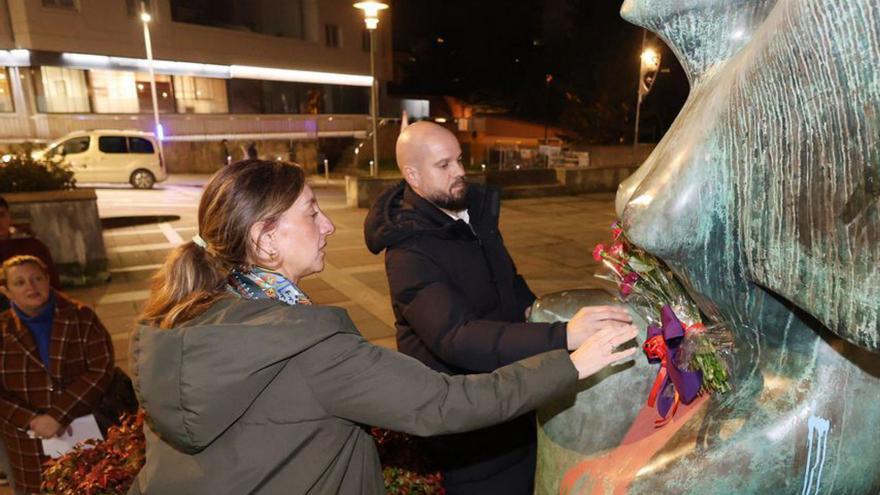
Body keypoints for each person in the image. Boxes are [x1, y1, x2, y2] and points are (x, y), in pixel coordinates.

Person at [130, 160, 637, 494]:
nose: (329, 226)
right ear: (265, 240)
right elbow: (445, 403)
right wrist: (572, 364)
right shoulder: (303, 347)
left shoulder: (190, 317)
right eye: (311, 213)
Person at [363, 121, 633, 493]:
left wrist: (539, 313)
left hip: (514, 402)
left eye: (459, 159)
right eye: (444, 165)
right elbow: (456, 337)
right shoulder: (408, 251)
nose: (459, 171)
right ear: (413, 175)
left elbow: (510, 283)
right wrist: (563, 335)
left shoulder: (472, 215)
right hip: (470, 435)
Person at [0, 255, 114, 494]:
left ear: (48, 279)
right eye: (19, 282)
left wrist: (58, 415)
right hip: (26, 441)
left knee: (93, 486)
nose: (31, 287)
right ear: (6, 291)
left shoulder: (81, 317)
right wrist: (31, 419)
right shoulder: (3, 329)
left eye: (37, 278)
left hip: (81, 429)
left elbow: (101, 368)